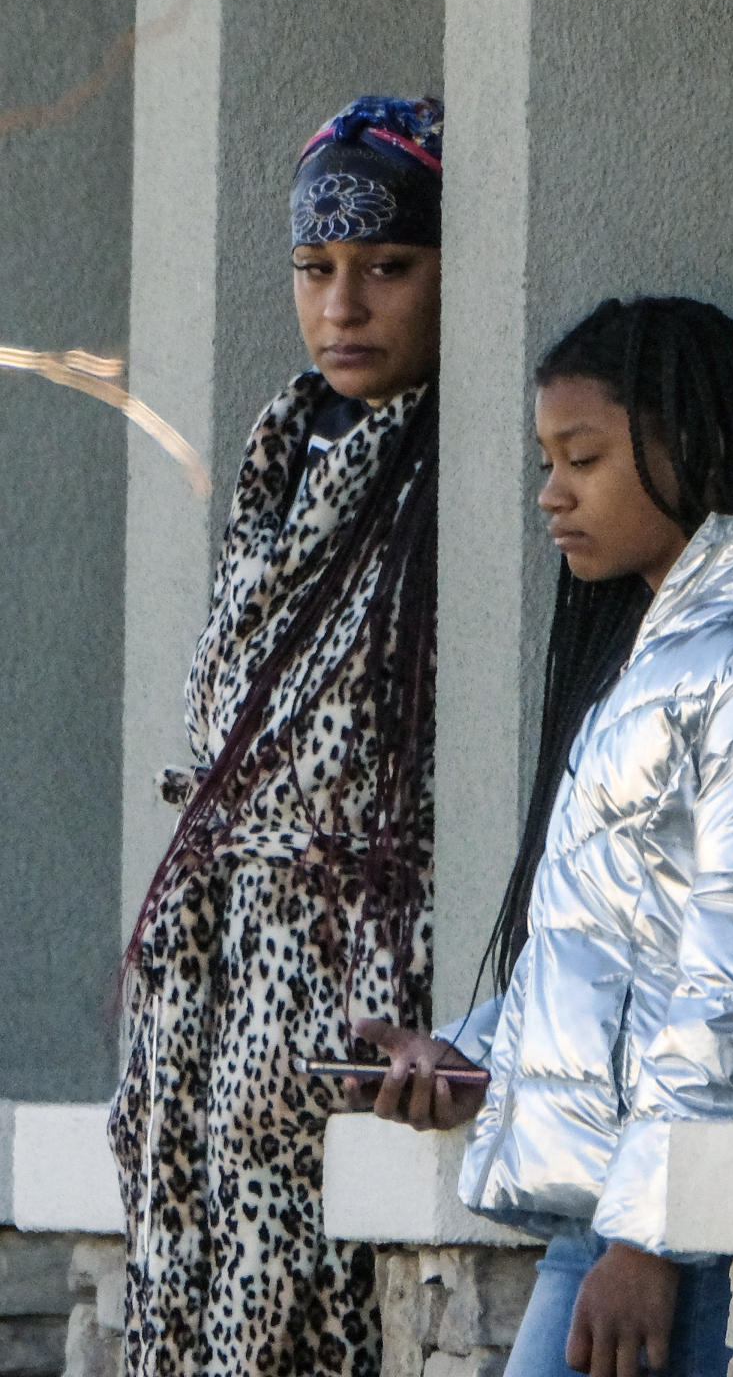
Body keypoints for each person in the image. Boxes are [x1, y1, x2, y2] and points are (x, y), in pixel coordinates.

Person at [356, 294, 733, 1377]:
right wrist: (475, 1055)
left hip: (662, 1242)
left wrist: (650, 1234)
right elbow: (616, 959)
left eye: (582, 459)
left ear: (686, 446)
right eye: (545, 460)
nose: (551, 495)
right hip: (599, 1221)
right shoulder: (644, 672)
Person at [108, 95, 444, 1377]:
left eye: (387, 269)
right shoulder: (282, 451)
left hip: (343, 996)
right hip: (210, 989)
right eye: (316, 271)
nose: (344, 307)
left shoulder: (452, 473)